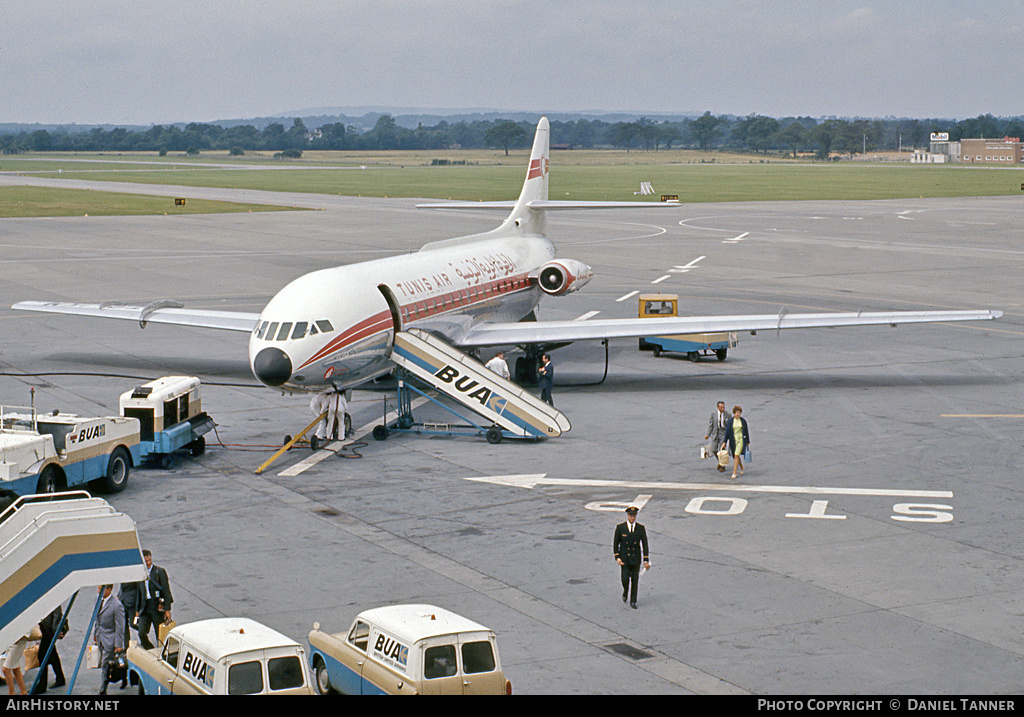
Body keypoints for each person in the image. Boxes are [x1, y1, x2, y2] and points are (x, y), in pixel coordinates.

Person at [612, 506, 650, 609]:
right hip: (624, 559)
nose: (632, 518)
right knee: (624, 579)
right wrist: (617, 557)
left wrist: (646, 559)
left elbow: (645, 544)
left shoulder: (640, 528)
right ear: (627, 516)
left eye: (634, 515)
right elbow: (616, 543)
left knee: (635, 579)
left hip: (635, 558)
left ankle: (633, 600)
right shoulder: (620, 528)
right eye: (630, 515)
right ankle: (625, 591)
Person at [135, 550, 173, 650]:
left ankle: (162, 652)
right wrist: (137, 610)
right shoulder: (139, 574)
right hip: (145, 607)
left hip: (156, 606)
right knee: (141, 632)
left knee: (159, 634)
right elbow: (139, 592)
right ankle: (150, 649)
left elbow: (166, 590)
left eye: (149, 560)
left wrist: (167, 609)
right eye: (146, 561)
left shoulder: (159, 572)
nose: (148, 563)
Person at [93, 585, 125, 695]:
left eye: (101, 589)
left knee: (105, 664)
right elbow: (97, 620)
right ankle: (124, 677)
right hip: (100, 637)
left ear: (109, 589)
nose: (98, 591)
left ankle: (103, 689)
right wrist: (95, 635)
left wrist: (118, 644)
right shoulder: (98, 600)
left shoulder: (117, 606)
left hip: (110, 639)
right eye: (98, 588)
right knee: (108, 663)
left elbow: (120, 626)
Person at [30, 606, 66, 694]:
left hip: (48, 629)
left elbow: (57, 614)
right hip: (45, 626)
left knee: (42, 655)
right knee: (52, 654)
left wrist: (55, 631)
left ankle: (42, 685)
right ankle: (60, 678)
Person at [722, 405, 751, 480]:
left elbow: (746, 431)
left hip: (740, 440)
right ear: (734, 413)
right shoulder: (731, 421)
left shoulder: (743, 421)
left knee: (736, 454)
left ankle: (734, 472)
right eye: (737, 413)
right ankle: (741, 467)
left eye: (739, 413)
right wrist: (724, 441)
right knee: (736, 456)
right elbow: (727, 432)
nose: (738, 414)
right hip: (733, 440)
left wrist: (747, 441)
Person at [704, 400, 729, 472]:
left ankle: (722, 466)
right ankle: (720, 461)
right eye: (721, 408)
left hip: (723, 433)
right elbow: (711, 425)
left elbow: (729, 425)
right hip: (715, 433)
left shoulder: (727, 414)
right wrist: (708, 434)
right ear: (718, 407)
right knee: (713, 449)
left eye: (723, 407)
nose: (722, 409)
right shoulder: (713, 414)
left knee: (722, 449)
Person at [118, 580, 141, 649]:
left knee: (133, 624)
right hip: (123, 602)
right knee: (124, 625)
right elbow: (121, 589)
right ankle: (126, 646)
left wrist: (137, 606)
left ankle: (143, 631)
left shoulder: (134, 577)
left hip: (132, 603)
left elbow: (138, 591)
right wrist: (118, 596)